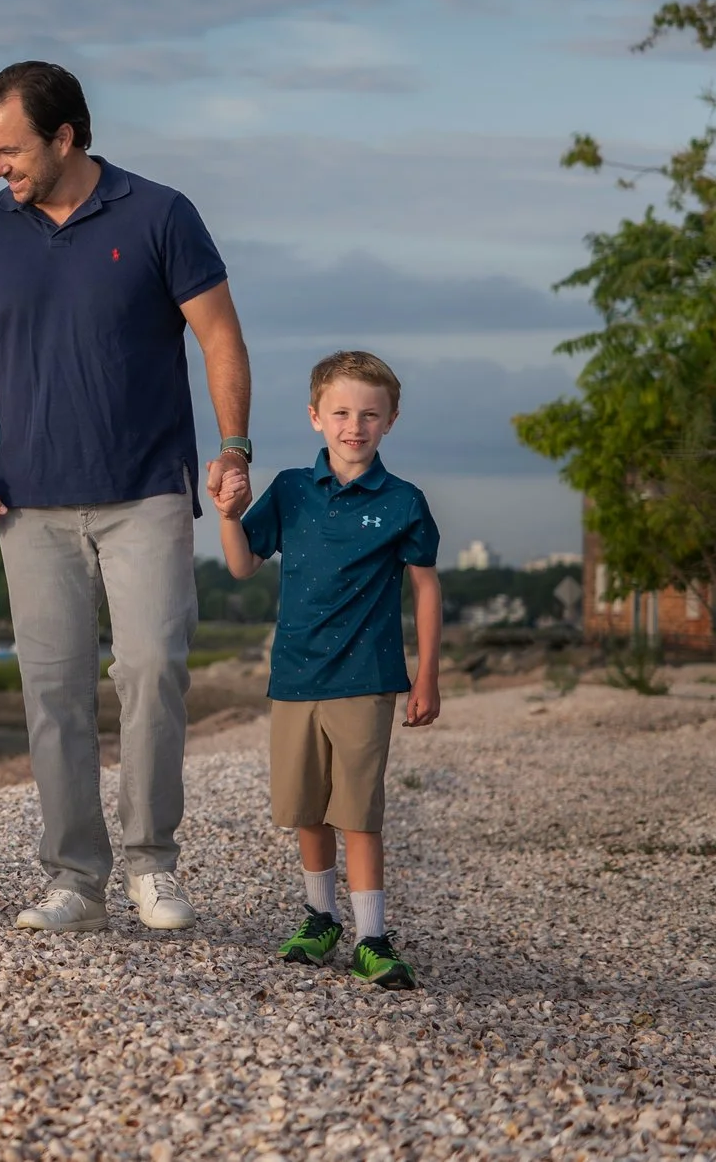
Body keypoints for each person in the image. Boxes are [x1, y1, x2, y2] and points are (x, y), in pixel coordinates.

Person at [0, 61, 253, 934]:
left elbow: (219, 334)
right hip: (29, 499)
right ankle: (75, 876)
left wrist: (233, 446)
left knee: (151, 667)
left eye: (12, 148)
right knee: (55, 690)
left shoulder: (160, 213)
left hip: (146, 487)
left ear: (66, 135)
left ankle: (153, 863)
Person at [218, 350, 441, 989]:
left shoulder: (403, 502)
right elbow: (241, 565)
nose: (355, 425)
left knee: (359, 813)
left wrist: (427, 676)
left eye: (370, 414)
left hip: (368, 678)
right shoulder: (289, 489)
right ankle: (321, 917)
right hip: (293, 677)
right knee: (306, 809)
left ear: (390, 421)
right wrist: (229, 515)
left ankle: (373, 936)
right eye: (341, 412)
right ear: (315, 416)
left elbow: (426, 588)